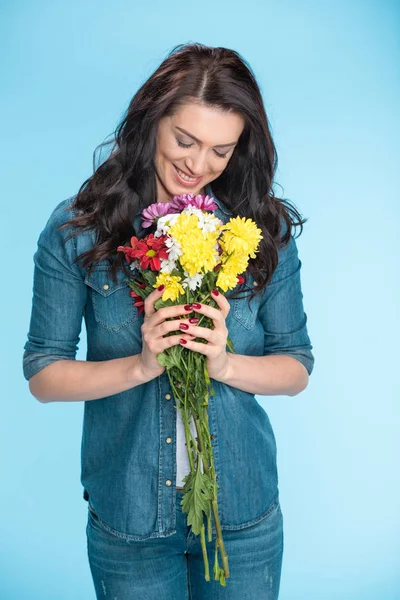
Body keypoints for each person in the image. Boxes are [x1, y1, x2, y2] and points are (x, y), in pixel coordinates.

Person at [22, 42, 315, 599]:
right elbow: (43, 373)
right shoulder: (78, 229)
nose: (198, 165)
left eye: (220, 151)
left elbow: (296, 365)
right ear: (151, 120)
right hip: (129, 520)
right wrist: (139, 365)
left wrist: (224, 363)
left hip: (243, 515)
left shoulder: (260, 230)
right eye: (185, 140)